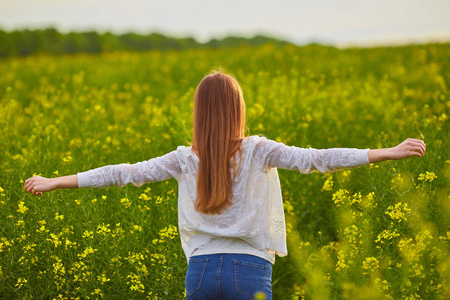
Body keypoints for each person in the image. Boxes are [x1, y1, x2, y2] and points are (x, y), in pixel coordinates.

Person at [24, 71, 426, 299]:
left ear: (199, 113)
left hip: (199, 271)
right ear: (239, 110)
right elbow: (316, 159)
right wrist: (384, 151)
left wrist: (56, 181)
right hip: (249, 270)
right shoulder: (258, 150)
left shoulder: (184, 158)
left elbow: (123, 172)